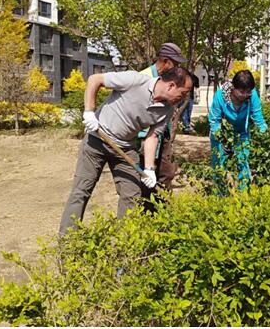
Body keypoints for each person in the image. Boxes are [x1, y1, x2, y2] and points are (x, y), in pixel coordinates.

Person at [59, 67, 192, 235]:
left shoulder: (167, 110)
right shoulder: (135, 80)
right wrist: (89, 111)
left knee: (132, 195)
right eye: (183, 93)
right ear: (171, 85)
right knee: (82, 190)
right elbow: (95, 79)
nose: (183, 98)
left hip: (125, 148)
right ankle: (68, 241)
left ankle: (125, 242)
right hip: (97, 139)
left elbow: (152, 137)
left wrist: (149, 169)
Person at [208, 70, 268, 193]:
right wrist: (222, 138)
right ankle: (219, 194)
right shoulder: (220, 96)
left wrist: (266, 136)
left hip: (242, 133)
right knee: (219, 165)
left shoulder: (252, 96)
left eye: (248, 91)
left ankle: (244, 194)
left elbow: (258, 117)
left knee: (243, 161)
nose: (245, 95)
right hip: (220, 134)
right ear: (233, 88)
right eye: (241, 91)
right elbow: (214, 121)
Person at [139, 42, 187, 189]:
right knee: (144, 177)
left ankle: (162, 202)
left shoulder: (169, 79)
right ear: (166, 61)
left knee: (166, 174)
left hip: (162, 133)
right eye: (176, 64)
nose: (178, 68)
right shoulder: (144, 77)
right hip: (143, 136)